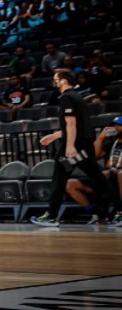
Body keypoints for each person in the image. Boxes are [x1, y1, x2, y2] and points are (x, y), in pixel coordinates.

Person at [31, 70, 122, 227]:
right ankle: (120, 212)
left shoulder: (66, 97)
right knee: (98, 178)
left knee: (59, 177)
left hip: (75, 146)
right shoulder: (77, 96)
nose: (54, 82)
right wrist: (55, 136)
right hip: (84, 146)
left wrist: (70, 146)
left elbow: (71, 124)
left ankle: (52, 216)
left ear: (64, 81)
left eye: (56, 80)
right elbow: (75, 125)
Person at [64, 116, 122, 224]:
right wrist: (100, 138)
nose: (115, 128)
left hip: (118, 177)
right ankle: (97, 214)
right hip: (107, 178)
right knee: (70, 184)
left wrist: (112, 171)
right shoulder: (110, 144)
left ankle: (121, 212)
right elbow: (94, 156)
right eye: (114, 125)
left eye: (119, 125)